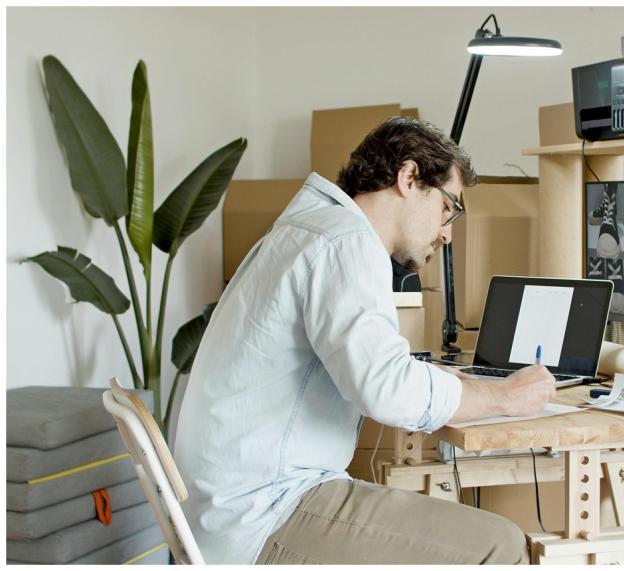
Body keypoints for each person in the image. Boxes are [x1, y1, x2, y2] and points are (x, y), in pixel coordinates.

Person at [173, 117, 556, 564]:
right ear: (409, 178)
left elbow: (372, 366)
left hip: (230, 509)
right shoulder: (346, 243)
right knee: (500, 544)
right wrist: (502, 397)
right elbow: (385, 389)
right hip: (265, 514)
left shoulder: (312, 230)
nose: (447, 233)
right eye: (448, 208)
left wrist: (441, 382)